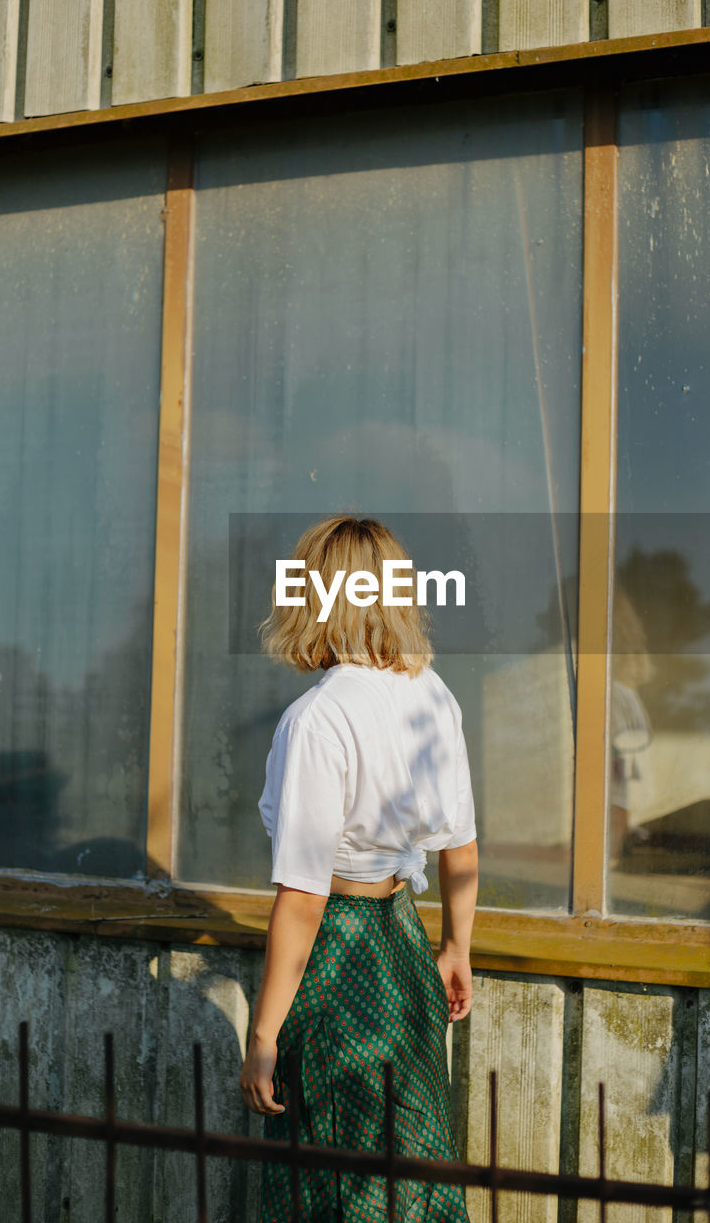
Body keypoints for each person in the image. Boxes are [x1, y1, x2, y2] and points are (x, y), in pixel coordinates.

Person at [239, 515, 478, 1221]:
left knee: (337, 1174)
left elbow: (304, 898)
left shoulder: (317, 718)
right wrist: (456, 948)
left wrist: (261, 1035)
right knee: (410, 1163)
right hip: (403, 944)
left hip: (340, 956)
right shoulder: (431, 694)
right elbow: (459, 845)